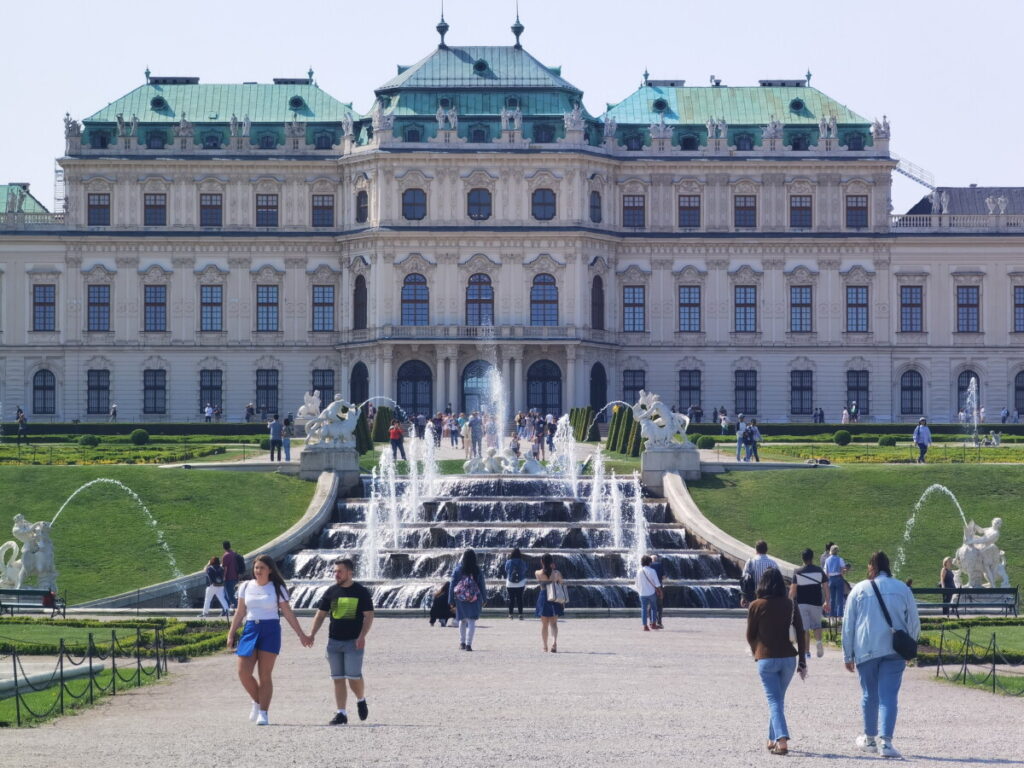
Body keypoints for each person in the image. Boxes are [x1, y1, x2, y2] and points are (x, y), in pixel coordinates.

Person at [843, 551, 920, 759]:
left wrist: (847, 654)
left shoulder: (859, 589)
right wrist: (909, 647)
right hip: (895, 650)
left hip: (866, 648)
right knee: (889, 697)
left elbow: (848, 624)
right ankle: (886, 743)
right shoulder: (902, 588)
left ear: (872, 568)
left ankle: (869, 740)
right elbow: (913, 621)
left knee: (869, 695)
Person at [226, 554, 311, 726]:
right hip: (251, 628)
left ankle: (263, 712)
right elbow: (240, 612)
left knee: (265, 675)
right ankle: (257, 701)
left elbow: (287, 613)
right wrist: (231, 633)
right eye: (256, 568)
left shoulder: (277, 588)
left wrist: (301, 634)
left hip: (270, 629)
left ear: (270, 570)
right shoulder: (245, 586)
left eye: (262, 568)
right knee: (243, 672)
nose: (258, 571)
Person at [746, 568, 807, 756]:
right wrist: (802, 661)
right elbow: (801, 632)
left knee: (774, 700)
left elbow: (750, 634)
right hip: (788, 658)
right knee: (778, 700)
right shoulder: (790, 604)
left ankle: (782, 740)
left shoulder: (756, 605)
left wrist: (756, 650)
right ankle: (771, 739)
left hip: (766, 658)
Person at [308, 558, 375, 726]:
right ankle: (341, 713)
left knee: (353, 676)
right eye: (335, 571)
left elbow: (369, 616)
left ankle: (360, 699)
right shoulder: (331, 591)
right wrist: (312, 634)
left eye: (339, 571)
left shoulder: (361, 591)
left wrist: (362, 636)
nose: (336, 574)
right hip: (334, 642)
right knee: (337, 678)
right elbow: (321, 614)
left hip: (354, 642)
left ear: (349, 572)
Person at [790, 548, 828, 659]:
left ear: (802, 558)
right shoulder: (819, 571)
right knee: (817, 625)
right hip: (816, 603)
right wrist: (827, 601)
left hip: (802, 603)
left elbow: (793, 590)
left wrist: (789, 601)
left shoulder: (797, 571)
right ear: (812, 558)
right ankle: (819, 642)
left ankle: (807, 652)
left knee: (805, 628)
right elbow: (826, 587)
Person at [448, 548, 486, 651]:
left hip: (461, 598)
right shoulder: (477, 570)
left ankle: (462, 643)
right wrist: (484, 598)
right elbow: (482, 585)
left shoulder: (458, 569)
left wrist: (451, 600)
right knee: (472, 621)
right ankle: (469, 644)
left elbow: (452, 585)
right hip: (474, 598)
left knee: (462, 620)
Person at [535, 553, 565, 651]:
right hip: (554, 597)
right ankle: (554, 643)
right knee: (554, 623)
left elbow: (540, 584)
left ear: (542, 562)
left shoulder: (537, 573)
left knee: (544, 625)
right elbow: (561, 584)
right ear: (552, 562)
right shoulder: (557, 573)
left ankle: (545, 647)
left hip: (543, 597)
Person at [741, 540, 778, 607]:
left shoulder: (750, 562)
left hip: (754, 599)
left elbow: (744, 581)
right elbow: (778, 582)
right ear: (766, 550)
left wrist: (743, 597)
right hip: (770, 599)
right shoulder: (773, 563)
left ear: (756, 550)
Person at [636, 554, 662, 631]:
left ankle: (645, 626)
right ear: (649, 562)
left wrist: (640, 591)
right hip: (651, 593)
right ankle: (653, 624)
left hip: (642, 594)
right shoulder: (652, 571)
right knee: (654, 608)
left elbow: (637, 583)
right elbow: (657, 583)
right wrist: (660, 592)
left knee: (643, 609)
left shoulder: (639, 571)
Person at [824, 545, 850, 620]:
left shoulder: (827, 560)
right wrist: (846, 570)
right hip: (838, 578)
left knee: (832, 598)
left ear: (830, 551)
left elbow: (826, 572)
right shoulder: (840, 559)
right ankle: (839, 616)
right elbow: (842, 570)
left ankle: (831, 616)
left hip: (831, 579)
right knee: (840, 598)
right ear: (837, 551)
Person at [504, 547, 528, 620]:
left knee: (511, 599)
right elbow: (525, 570)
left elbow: (506, 570)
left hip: (510, 584)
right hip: (520, 583)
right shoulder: (522, 562)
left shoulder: (509, 562)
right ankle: (520, 614)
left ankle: (510, 615)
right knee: (519, 599)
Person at [222, 540, 242, 611]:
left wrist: (223, 577)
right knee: (235, 594)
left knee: (230, 595)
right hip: (235, 577)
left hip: (229, 578)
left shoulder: (226, 555)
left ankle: (237, 610)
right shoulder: (234, 553)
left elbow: (225, 568)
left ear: (223, 547)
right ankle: (237, 608)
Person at [649, 554, 666, 629]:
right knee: (659, 605)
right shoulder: (660, 565)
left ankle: (651, 621)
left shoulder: (649, 566)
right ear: (656, 559)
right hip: (659, 587)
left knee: (650, 605)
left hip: (651, 588)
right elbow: (664, 577)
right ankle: (659, 622)